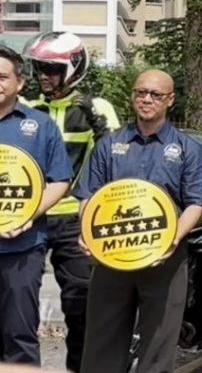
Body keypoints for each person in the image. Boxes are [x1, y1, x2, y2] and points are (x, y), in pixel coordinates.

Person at [76, 69, 202, 373]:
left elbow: (195, 204)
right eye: (141, 92)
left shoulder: (188, 149)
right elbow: (90, 197)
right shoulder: (108, 145)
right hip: (111, 258)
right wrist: (87, 232)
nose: (147, 99)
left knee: (158, 349)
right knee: (101, 345)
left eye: (155, 94)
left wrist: (173, 238)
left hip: (165, 259)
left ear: (170, 100)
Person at [23, 31, 120, 372]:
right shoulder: (28, 108)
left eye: (52, 69)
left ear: (73, 70)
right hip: (30, 216)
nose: (43, 76)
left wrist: (97, 123)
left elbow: (111, 159)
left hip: (75, 220)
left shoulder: (97, 108)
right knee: (18, 302)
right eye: (39, 68)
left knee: (80, 305)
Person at [0, 46, 73, 365]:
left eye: (2, 77)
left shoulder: (41, 126)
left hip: (22, 247)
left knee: (19, 334)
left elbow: (60, 180)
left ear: (19, 82)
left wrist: (28, 213)